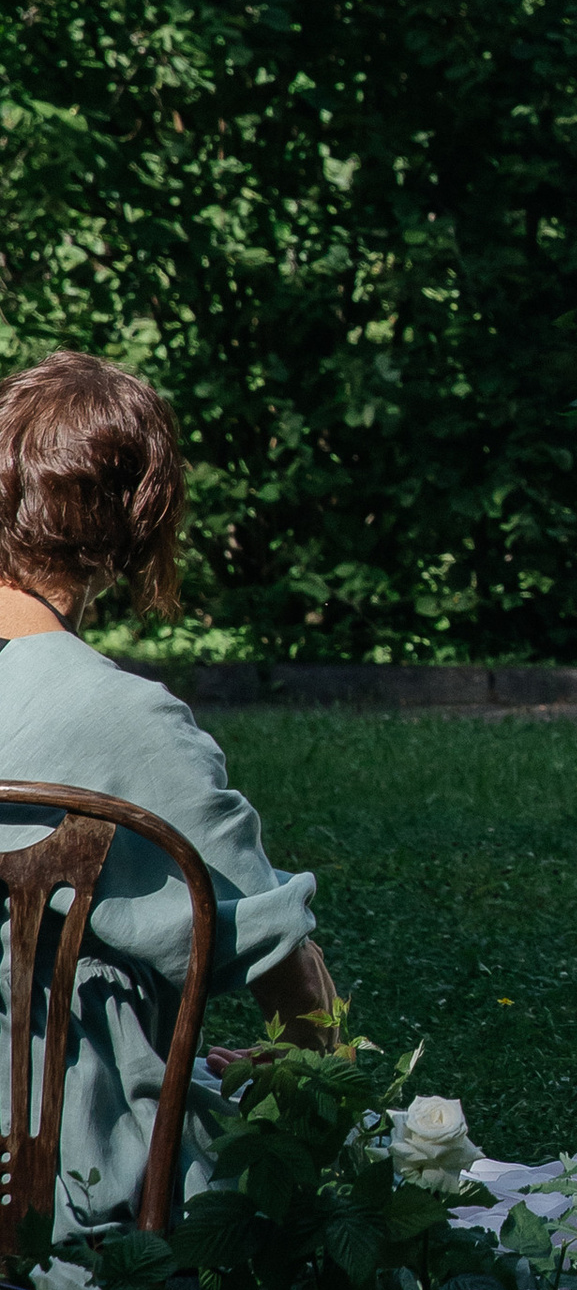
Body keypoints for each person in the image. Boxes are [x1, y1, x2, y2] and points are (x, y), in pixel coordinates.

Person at [0, 351, 336, 1232]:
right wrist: (317, 1083)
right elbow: (285, 969)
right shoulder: (127, 724)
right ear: (138, 519)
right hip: (74, 1185)